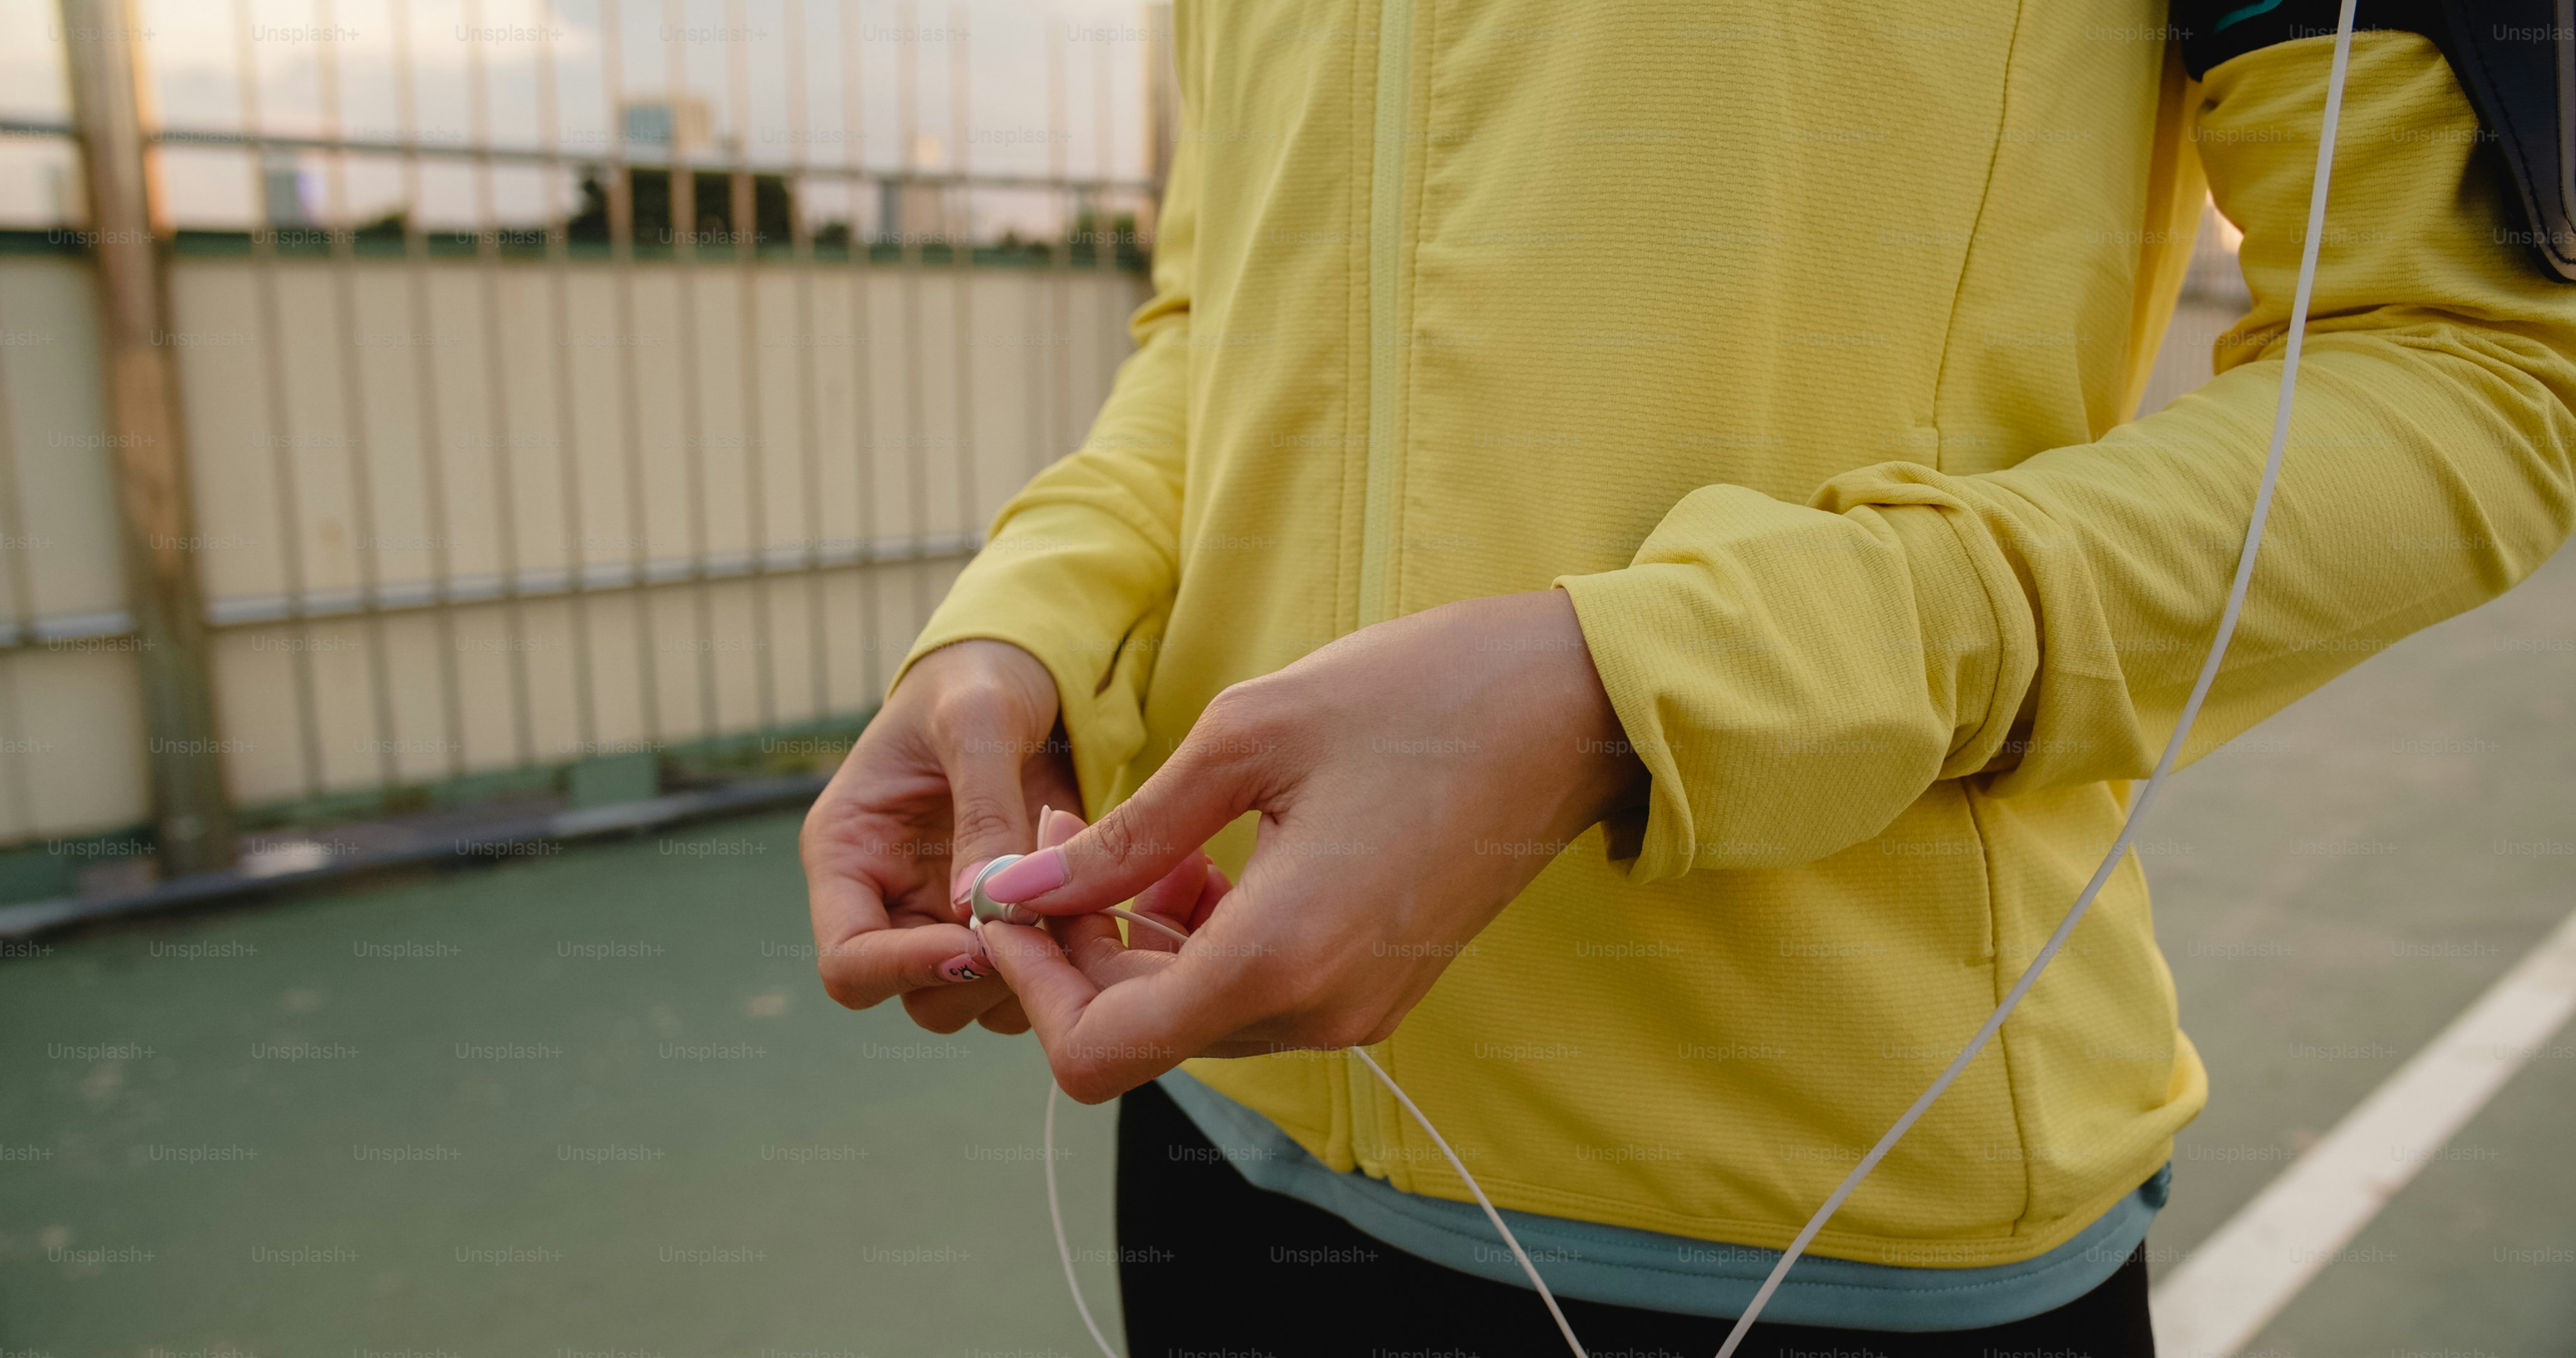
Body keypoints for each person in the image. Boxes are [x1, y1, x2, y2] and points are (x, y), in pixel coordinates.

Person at [801, 3, 2576, 1352]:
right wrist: (1026, 627)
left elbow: (2469, 367)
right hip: (1210, 1127)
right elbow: (1222, 321)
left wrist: (1632, 691)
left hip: (1818, 1215)